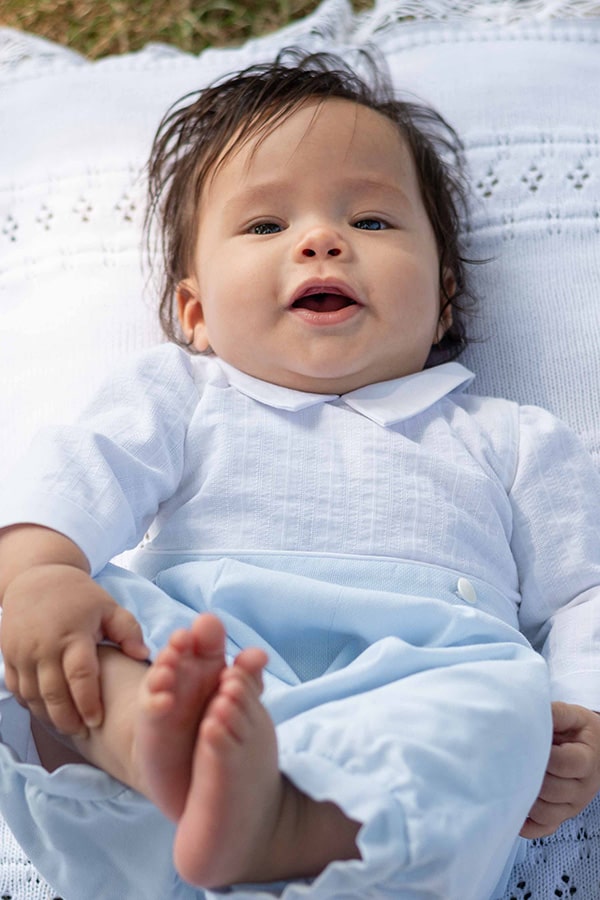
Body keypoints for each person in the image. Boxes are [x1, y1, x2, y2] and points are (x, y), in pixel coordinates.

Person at [0, 49, 599, 900]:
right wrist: (40, 573)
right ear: (195, 313)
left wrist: (590, 713)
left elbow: (584, 594)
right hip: (204, 665)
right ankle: (173, 759)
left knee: (507, 710)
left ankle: (291, 826)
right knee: (70, 621)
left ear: (445, 298)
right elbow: (78, 468)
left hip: (413, 690)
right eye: (265, 226)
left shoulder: (508, 437)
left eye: (374, 222)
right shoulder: (181, 394)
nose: (322, 240)